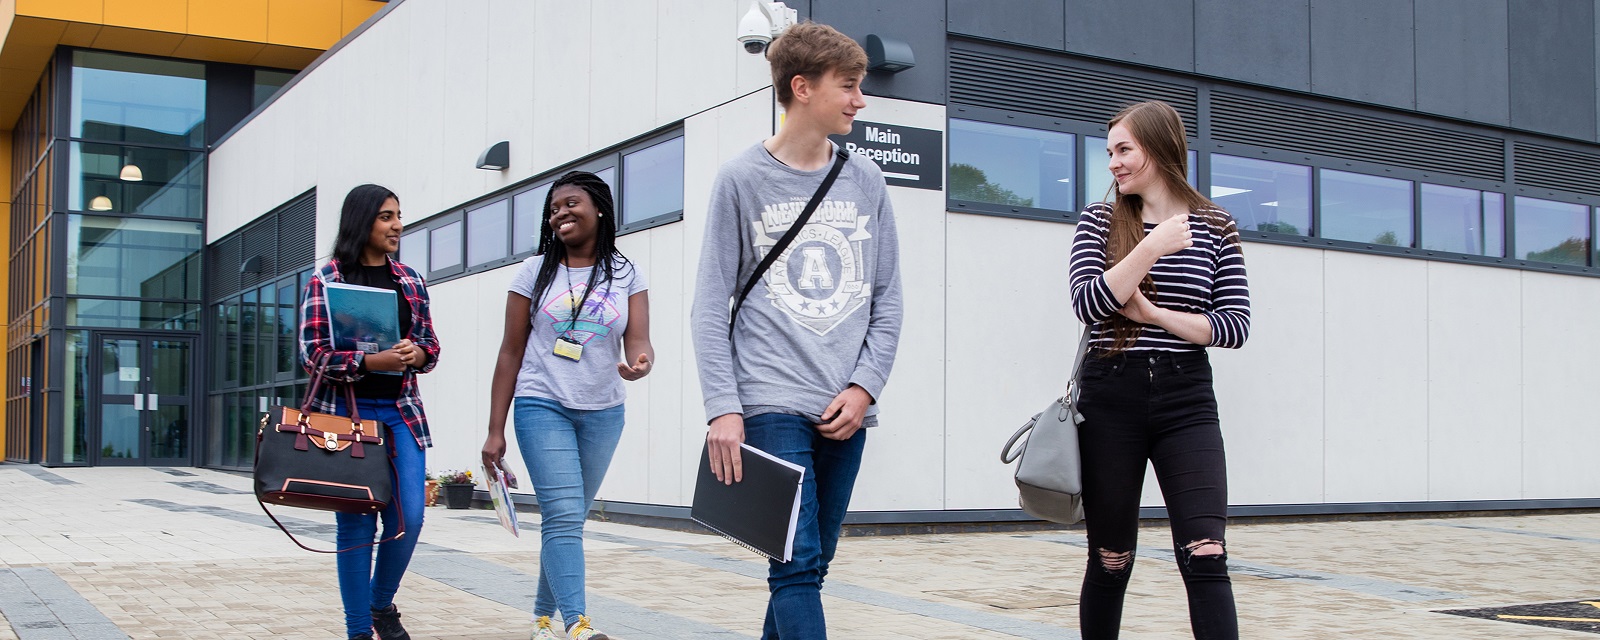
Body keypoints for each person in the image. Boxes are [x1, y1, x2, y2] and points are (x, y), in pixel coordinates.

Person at [692, 21, 902, 640]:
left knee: (811, 563)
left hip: (844, 404)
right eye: (850, 86)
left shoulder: (866, 179)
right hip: (769, 400)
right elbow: (709, 305)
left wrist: (865, 387)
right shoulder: (740, 178)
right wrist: (722, 410)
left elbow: (888, 300)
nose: (860, 100)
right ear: (803, 88)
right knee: (795, 563)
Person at [1067, 100, 1252, 639]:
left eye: (1124, 150)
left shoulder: (1217, 224)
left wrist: (1152, 315)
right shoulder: (1099, 220)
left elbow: (1234, 325)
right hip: (1109, 398)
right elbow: (1089, 303)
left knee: (1207, 552)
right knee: (1111, 557)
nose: (1113, 164)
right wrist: (1153, 245)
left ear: (1161, 148)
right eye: (1110, 152)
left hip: (1186, 400)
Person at [481, 171, 652, 640]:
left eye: (570, 203)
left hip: (604, 411)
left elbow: (640, 343)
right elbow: (510, 351)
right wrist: (495, 430)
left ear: (599, 207)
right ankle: (577, 625)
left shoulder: (627, 272)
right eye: (554, 209)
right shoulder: (533, 272)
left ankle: (542, 620)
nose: (560, 214)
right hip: (542, 402)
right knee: (561, 514)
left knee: (568, 520)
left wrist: (640, 364)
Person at [300, 184, 441, 640]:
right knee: (356, 525)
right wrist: (367, 361)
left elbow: (431, 347)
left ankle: (380, 605)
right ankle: (359, 630)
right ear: (362, 222)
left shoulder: (411, 280)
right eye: (385, 216)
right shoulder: (326, 279)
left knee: (408, 518)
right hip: (346, 415)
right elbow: (313, 354)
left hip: (401, 411)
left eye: (398, 215)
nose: (397, 225)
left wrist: (414, 355)